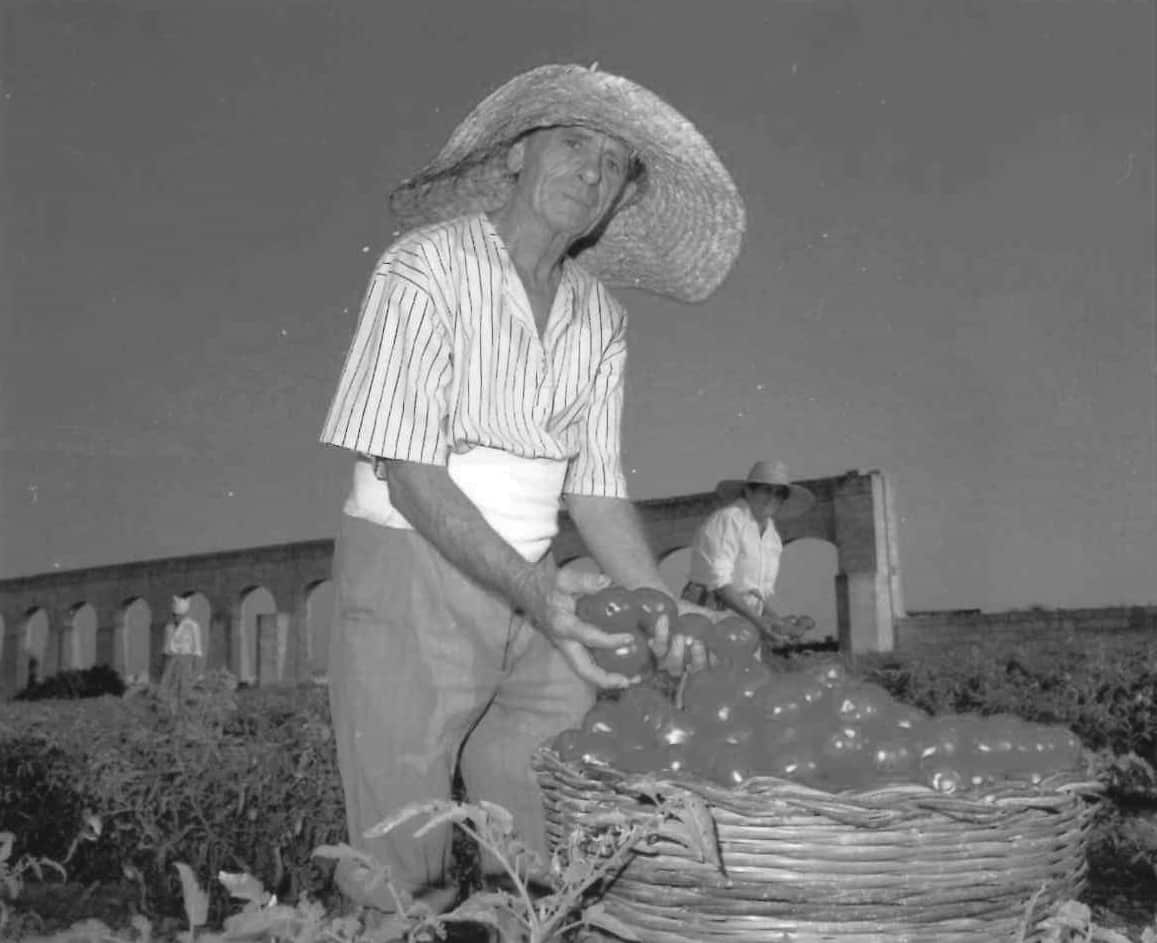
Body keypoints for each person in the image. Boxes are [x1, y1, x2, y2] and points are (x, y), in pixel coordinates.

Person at [318, 63, 744, 914]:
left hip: (534, 573)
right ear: (516, 155)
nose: (591, 171)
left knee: (542, 816)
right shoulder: (426, 267)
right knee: (401, 854)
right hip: (414, 565)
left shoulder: (599, 315)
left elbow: (594, 487)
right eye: (572, 143)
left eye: (614, 163)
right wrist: (536, 592)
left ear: (620, 198)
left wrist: (660, 605)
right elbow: (409, 473)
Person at [682, 460, 815, 648]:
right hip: (708, 615)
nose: (772, 498)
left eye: (779, 494)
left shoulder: (772, 536)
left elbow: (754, 592)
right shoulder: (729, 519)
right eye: (766, 490)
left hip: (744, 624)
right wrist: (760, 623)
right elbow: (720, 584)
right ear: (748, 491)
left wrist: (777, 622)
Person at [159, 595, 203, 703]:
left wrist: (196, 671)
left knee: (184, 689)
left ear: (184, 614)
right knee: (167, 690)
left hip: (185, 660)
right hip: (171, 660)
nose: (176, 617)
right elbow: (166, 649)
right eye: (174, 615)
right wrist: (163, 666)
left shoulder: (193, 626)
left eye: (178, 615)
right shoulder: (169, 627)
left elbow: (197, 650)